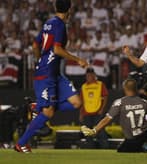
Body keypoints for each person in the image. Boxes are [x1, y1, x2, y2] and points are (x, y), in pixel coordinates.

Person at [14, 0, 88, 153]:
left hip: (54, 73)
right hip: (46, 74)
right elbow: (57, 49)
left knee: (76, 103)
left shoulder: (48, 23)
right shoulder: (60, 25)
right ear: (69, 10)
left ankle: (39, 106)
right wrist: (77, 59)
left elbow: (35, 44)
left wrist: (38, 60)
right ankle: (21, 143)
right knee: (48, 113)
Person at [81, 78, 147, 153]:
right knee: (133, 148)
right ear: (136, 89)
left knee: (122, 151)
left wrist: (94, 130)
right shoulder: (144, 102)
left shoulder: (120, 103)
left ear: (125, 88)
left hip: (132, 138)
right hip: (144, 135)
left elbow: (107, 119)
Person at [80, 67, 109, 148]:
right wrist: (81, 114)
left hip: (97, 112)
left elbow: (105, 97)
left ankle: (105, 148)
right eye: (87, 75)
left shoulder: (100, 84)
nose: (88, 77)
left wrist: (102, 109)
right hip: (87, 112)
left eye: (90, 75)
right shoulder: (83, 86)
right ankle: (90, 148)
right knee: (87, 132)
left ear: (94, 75)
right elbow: (82, 101)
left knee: (100, 131)